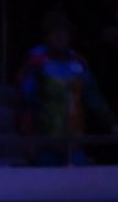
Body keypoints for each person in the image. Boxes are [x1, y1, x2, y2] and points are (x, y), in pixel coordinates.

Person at [18, 11, 118, 166]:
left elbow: (94, 98)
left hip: (75, 143)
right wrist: (28, 138)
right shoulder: (37, 65)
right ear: (46, 37)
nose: (60, 37)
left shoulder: (79, 64)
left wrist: (112, 122)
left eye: (64, 33)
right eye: (55, 33)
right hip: (46, 144)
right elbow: (26, 103)